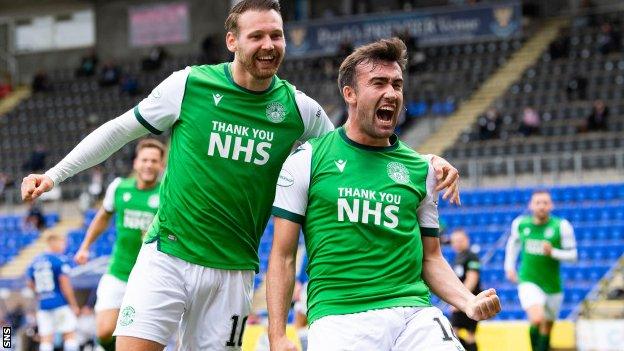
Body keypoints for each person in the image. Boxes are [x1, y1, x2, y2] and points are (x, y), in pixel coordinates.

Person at [21, 1, 460, 349]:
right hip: (167, 255)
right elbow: (120, 129)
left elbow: (359, 152)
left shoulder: (299, 110)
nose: (269, 44)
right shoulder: (189, 85)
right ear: (232, 40)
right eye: (257, 36)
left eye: (277, 34)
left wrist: (426, 163)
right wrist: (56, 174)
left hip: (234, 273)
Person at [266, 37, 499, 351]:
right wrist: (277, 335)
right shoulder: (306, 160)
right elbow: (282, 255)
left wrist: (467, 302)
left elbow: (431, 257)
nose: (391, 93)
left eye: (397, 84)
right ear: (350, 94)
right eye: (378, 83)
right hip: (340, 316)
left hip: (414, 314)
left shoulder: (422, 170)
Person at [73, 139, 165, 351]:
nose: (149, 164)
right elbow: (103, 217)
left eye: (154, 161)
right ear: (135, 163)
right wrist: (85, 246)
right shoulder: (118, 188)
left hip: (151, 278)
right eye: (145, 160)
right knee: (104, 332)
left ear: (161, 165)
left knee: (143, 340)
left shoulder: (166, 193)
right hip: (119, 272)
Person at [504, 190, 578, 351]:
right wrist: (509, 266)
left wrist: (553, 252)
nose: (541, 206)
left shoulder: (561, 226)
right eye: (538, 202)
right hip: (528, 280)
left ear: (551, 205)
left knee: (547, 326)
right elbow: (513, 244)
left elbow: (573, 255)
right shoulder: (521, 224)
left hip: (552, 284)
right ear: (531, 205)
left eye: (545, 203)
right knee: (537, 319)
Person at [25, 231, 80, 351]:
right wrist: (73, 304)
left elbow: (29, 283)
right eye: (62, 242)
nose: (64, 246)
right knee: (69, 334)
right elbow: (65, 284)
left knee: (46, 339)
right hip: (60, 302)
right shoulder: (58, 260)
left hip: (43, 304)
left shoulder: (34, 261)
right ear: (52, 242)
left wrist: (40, 295)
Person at [449, 229, 482, 351]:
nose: (457, 243)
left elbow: (472, 279)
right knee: (454, 333)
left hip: (471, 300)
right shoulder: (456, 258)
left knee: (469, 335)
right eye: (454, 241)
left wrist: (461, 299)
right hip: (461, 301)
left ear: (467, 240)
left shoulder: (471, 256)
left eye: (460, 240)